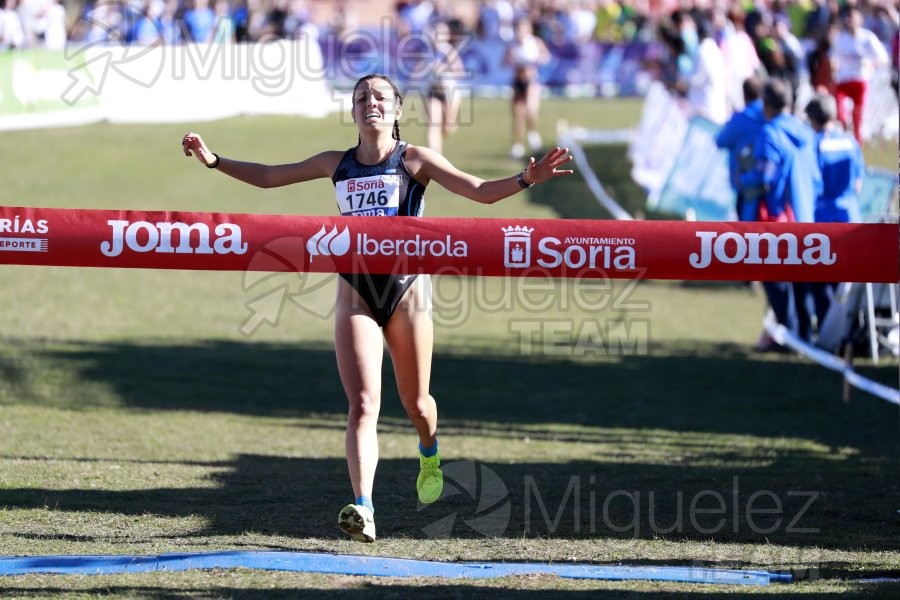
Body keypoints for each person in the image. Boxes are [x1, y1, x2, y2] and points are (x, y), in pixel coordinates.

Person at [181, 73, 574, 542]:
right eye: (362, 97)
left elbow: (479, 191)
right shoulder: (336, 163)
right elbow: (270, 177)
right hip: (355, 290)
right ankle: (363, 507)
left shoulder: (414, 160)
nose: (371, 103)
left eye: (380, 97)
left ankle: (428, 450)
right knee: (363, 404)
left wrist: (528, 177)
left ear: (396, 110)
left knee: (417, 404)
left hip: (408, 289)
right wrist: (213, 160)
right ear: (352, 112)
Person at [739, 78, 822, 351]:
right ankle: (805, 339)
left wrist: (743, 178)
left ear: (766, 104)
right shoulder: (807, 132)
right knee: (801, 282)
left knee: (776, 282)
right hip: (806, 217)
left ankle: (789, 337)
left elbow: (765, 177)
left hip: (778, 221)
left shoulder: (769, 133)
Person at [798, 92, 864, 342]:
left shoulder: (813, 145)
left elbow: (811, 183)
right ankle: (850, 333)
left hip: (821, 219)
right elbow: (858, 183)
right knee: (847, 282)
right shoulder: (850, 142)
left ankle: (828, 335)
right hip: (849, 216)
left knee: (821, 279)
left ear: (813, 118)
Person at [829, 5, 890, 142]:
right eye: (848, 17)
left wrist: (872, 64)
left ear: (860, 19)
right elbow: (833, 58)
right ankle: (844, 136)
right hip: (843, 81)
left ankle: (857, 145)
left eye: (853, 17)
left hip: (859, 80)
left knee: (857, 116)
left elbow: (883, 58)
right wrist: (834, 67)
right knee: (840, 113)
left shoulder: (867, 37)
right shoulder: (841, 38)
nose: (850, 20)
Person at [504, 17, 550, 159]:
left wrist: (538, 59)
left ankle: (532, 132)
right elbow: (504, 61)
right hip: (518, 81)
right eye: (518, 29)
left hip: (531, 80)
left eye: (523, 29)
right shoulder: (513, 46)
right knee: (517, 114)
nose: (520, 32)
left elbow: (546, 56)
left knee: (530, 110)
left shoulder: (535, 42)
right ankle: (517, 144)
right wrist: (511, 59)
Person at [424, 19, 466, 155]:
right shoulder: (428, 51)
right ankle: (434, 157)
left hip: (449, 92)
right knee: (433, 125)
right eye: (436, 32)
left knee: (448, 128)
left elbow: (460, 71)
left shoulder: (448, 51)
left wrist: (443, 68)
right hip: (433, 91)